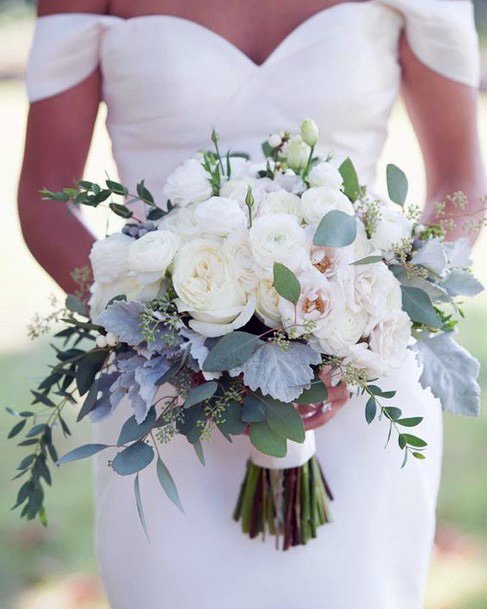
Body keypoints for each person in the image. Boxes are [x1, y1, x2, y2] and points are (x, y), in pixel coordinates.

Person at [18, 1, 485, 608]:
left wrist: (372, 321)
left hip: (361, 385)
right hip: (167, 401)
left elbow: (461, 183)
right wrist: (163, 334)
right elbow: (45, 200)